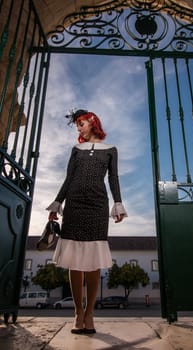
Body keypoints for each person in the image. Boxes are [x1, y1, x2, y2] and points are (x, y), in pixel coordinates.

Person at [46, 109, 127, 335]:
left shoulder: (111, 150)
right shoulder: (76, 150)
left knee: (92, 262)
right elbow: (68, 177)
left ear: (92, 121)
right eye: (77, 125)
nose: (78, 128)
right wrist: (57, 204)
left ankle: (90, 313)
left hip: (98, 205)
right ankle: (77, 312)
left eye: (81, 123)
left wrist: (118, 204)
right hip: (74, 204)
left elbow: (113, 178)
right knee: (74, 262)